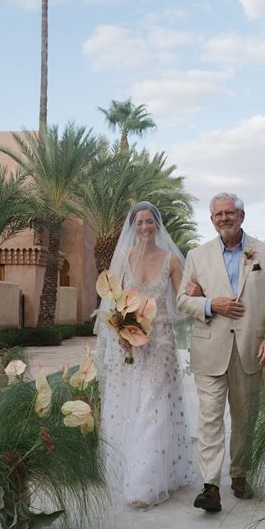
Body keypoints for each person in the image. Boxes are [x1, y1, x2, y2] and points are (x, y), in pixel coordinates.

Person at [177, 192, 265, 512]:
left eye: (229, 213)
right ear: (211, 220)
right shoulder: (197, 256)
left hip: (251, 349)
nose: (223, 218)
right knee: (209, 417)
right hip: (209, 347)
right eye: (217, 215)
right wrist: (212, 304)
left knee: (244, 418)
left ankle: (239, 474)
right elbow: (183, 300)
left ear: (241, 216)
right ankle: (210, 486)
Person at [95, 202, 195, 508]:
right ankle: (128, 469)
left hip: (161, 342)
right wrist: (120, 332)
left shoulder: (171, 261)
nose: (145, 227)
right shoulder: (123, 259)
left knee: (154, 406)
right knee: (128, 404)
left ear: (158, 225)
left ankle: (144, 485)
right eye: (139, 222)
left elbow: (183, 301)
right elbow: (112, 302)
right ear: (132, 227)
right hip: (128, 344)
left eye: (150, 221)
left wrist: (199, 296)